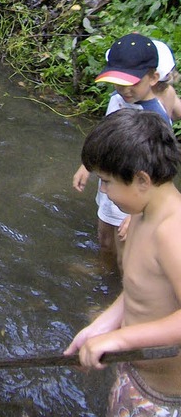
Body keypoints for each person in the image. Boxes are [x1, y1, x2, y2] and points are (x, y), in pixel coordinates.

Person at [64, 109, 181, 416]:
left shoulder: (172, 232)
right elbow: (139, 288)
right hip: (134, 372)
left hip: (162, 398)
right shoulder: (141, 214)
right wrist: (102, 326)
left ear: (142, 180)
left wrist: (119, 339)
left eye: (106, 181)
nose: (102, 190)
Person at [72, 33, 170, 266]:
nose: (124, 90)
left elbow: (159, 174)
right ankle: (104, 270)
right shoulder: (117, 99)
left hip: (134, 195)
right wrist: (87, 166)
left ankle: (122, 288)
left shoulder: (155, 118)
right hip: (111, 183)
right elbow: (107, 137)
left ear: (153, 77)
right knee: (105, 236)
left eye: (132, 83)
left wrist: (136, 214)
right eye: (119, 83)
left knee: (127, 247)